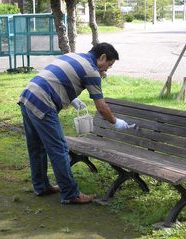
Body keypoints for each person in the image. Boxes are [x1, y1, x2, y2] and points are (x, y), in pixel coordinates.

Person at [18, 42, 129, 204]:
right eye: (108, 65)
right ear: (102, 57)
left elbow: (57, 77)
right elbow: (101, 107)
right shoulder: (92, 71)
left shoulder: (72, 56)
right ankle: (70, 194)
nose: (106, 70)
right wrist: (116, 121)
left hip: (27, 96)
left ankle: (41, 186)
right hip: (43, 102)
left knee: (36, 147)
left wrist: (73, 99)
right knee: (59, 149)